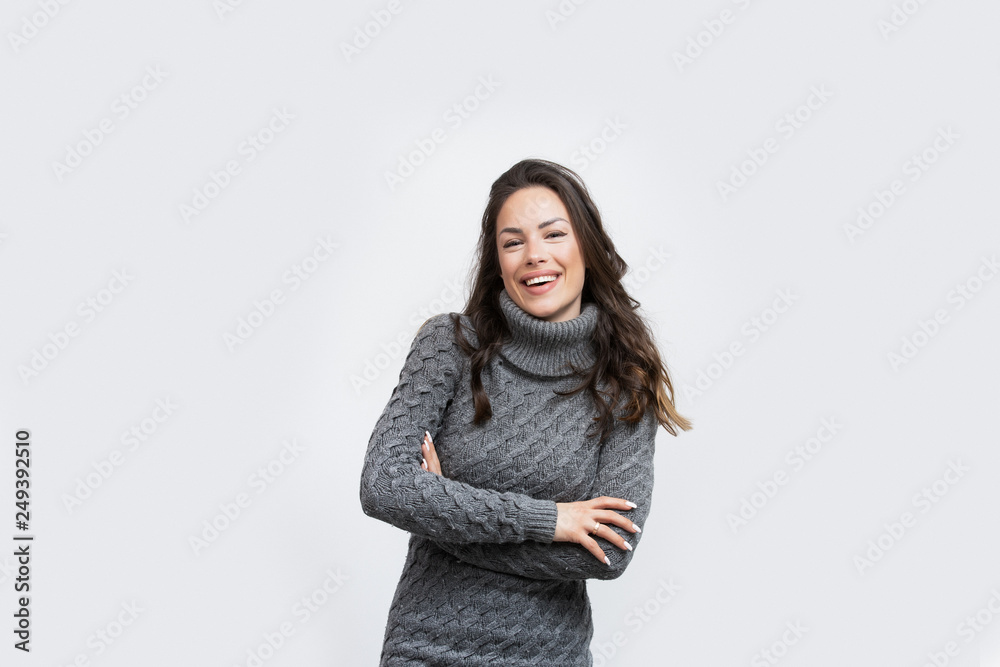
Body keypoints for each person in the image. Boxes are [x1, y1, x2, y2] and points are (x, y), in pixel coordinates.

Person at [359, 158, 691, 665]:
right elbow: (383, 484)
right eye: (513, 242)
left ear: (586, 245)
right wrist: (550, 519)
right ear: (497, 260)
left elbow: (607, 553)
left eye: (553, 234)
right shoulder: (449, 345)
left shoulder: (624, 380)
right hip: (425, 650)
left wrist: (442, 511)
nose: (534, 256)